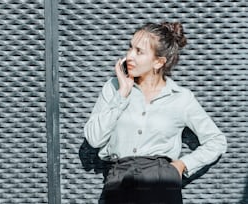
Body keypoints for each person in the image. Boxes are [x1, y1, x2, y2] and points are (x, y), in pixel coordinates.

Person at [84, 22, 227, 204]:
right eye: (130, 48)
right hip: (119, 180)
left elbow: (216, 141)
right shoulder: (113, 88)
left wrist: (182, 165)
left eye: (139, 51)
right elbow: (94, 139)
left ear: (158, 62)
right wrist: (122, 94)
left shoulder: (181, 98)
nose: (129, 56)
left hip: (162, 182)